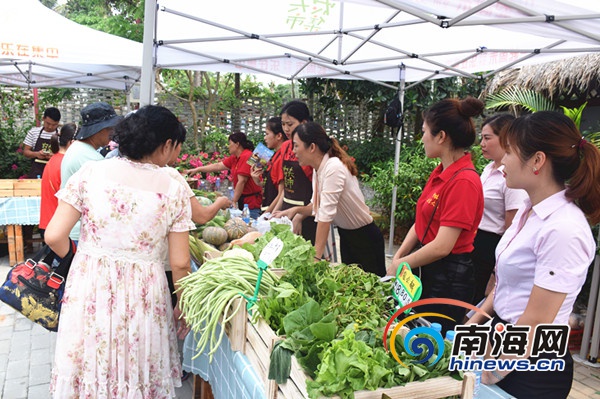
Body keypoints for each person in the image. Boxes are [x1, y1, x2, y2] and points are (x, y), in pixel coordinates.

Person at [45, 105, 194, 398]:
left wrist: (85, 261)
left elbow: (53, 235)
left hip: (90, 284)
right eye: (175, 147)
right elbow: (180, 263)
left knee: (90, 365)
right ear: (166, 145)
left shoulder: (91, 172)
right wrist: (184, 306)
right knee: (137, 367)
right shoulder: (173, 187)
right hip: (145, 292)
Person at [468, 111, 600, 398]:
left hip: (531, 364)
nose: (502, 160)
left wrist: (487, 371)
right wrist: (474, 321)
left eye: (511, 152)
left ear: (537, 160)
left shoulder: (563, 228)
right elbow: (508, 284)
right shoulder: (529, 210)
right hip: (505, 343)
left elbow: (536, 322)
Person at [388, 96, 484, 333]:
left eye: (424, 132)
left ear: (441, 136)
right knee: (411, 331)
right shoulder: (442, 171)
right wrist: (398, 258)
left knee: (430, 341)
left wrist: (402, 263)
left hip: (448, 277)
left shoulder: (464, 181)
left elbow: (443, 246)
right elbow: (420, 221)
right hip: (427, 266)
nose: (421, 138)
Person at [289, 122, 386, 276]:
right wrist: (296, 211)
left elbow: (325, 216)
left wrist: (316, 257)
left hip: (365, 239)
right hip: (347, 236)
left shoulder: (333, 167)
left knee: (373, 291)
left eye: (296, 146)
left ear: (312, 147)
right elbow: (317, 207)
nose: (293, 151)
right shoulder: (318, 168)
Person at [471, 114, 528, 306]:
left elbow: (511, 227)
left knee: (477, 300)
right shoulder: (488, 169)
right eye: (482, 138)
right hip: (475, 241)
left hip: (491, 246)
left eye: (488, 138)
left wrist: (496, 273)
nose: (482, 143)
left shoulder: (511, 178)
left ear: (505, 138)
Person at [61, 102, 122, 244]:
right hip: (80, 231)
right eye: (110, 129)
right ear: (100, 130)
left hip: (73, 228)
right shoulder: (91, 159)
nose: (112, 134)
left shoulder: (78, 148)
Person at [184, 132, 263, 219]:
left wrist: (234, 201)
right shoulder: (234, 158)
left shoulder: (247, 156)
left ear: (237, 144)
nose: (228, 146)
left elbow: (242, 181)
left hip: (251, 203)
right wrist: (197, 169)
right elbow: (217, 166)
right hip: (243, 201)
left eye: (229, 143)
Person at [271, 100, 318, 244]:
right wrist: (272, 214)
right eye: (283, 124)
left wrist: (300, 215)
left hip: (307, 215)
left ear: (303, 122)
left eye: (290, 124)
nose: (285, 129)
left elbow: (318, 191)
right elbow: (285, 188)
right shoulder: (285, 146)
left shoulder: (312, 149)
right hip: (286, 212)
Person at [38, 123, 77, 240]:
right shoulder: (65, 163)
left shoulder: (54, 159)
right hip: (58, 227)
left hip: (49, 223)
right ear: (72, 142)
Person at [251, 116, 286, 213]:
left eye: (267, 134)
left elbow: (281, 193)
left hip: (273, 213)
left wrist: (266, 216)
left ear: (279, 136)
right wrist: (258, 181)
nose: (265, 138)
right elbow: (272, 186)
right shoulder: (274, 156)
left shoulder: (281, 158)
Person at [22, 106, 61, 179]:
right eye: (48, 123)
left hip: (55, 172)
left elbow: (66, 155)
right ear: (43, 118)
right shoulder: (34, 132)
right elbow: (26, 152)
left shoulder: (61, 134)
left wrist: (54, 156)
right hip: (37, 172)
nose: (50, 127)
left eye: (54, 125)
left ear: (58, 123)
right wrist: (36, 154)